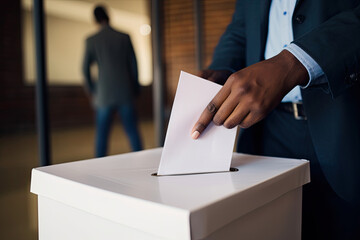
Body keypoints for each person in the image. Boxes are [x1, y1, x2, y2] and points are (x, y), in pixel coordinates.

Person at [191, 0, 360, 239]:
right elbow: (241, 30)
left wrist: (292, 62)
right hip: (269, 129)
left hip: (346, 122)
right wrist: (221, 69)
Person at [82, 5, 142, 157]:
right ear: (108, 16)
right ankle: (142, 163)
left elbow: (85, 69)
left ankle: (98, 168)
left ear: (95, 19)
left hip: (103, 94)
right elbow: (134, 65)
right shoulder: (124, 37)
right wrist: (135, 87)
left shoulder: (91, 40)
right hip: (125, 92)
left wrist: (92, 90)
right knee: (133, 133)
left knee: (102, 136)